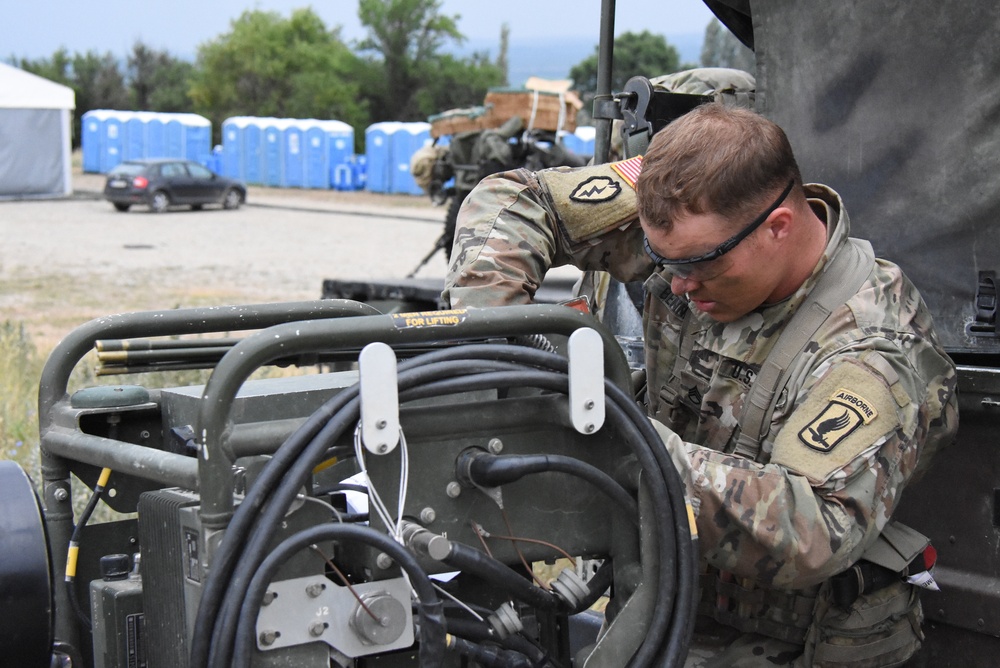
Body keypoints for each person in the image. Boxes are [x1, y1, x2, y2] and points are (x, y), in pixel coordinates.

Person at [443, 102, 958, 666]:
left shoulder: (873, 344)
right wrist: (488, 333)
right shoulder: (695, 214)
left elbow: (817, 529)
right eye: (660, 259)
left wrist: (628, 441)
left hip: (788, 643)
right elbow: (516, 199)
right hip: (664, 609)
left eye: (696, 266)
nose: (677, 283)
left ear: (777, 227)